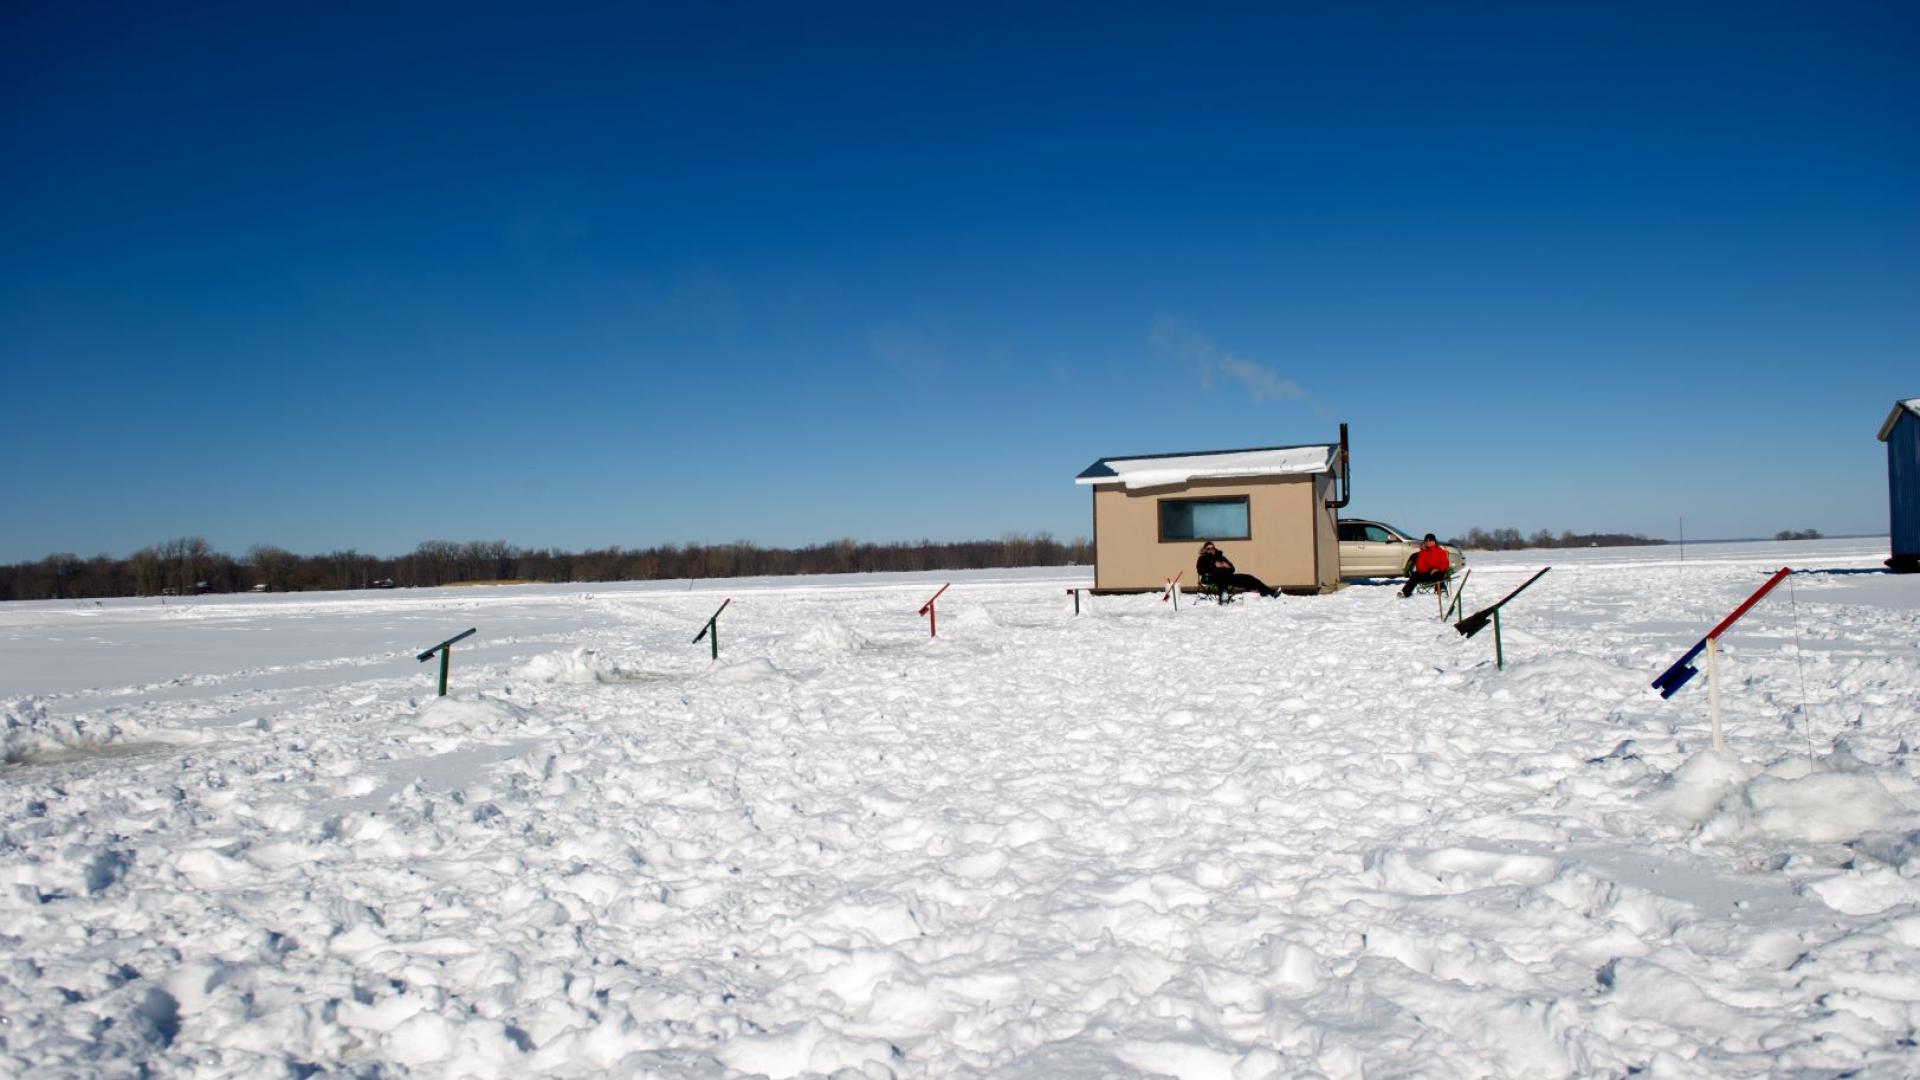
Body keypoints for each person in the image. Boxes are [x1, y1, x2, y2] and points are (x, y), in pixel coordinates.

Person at [1195, 542, 1279, 598]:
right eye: (1208, 549)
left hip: (1228, 577)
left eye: (1212, 548)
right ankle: (1224, 596)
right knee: (1226, 579)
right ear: (1205, 550)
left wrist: (1228, 566)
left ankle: (1270, 592)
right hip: (1212, 578)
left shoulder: (1220, 557)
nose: (1211, 550)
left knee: (1248, 577)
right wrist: (1214, 565)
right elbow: (1200, 570)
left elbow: (1233, 569)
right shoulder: (1203, 559)